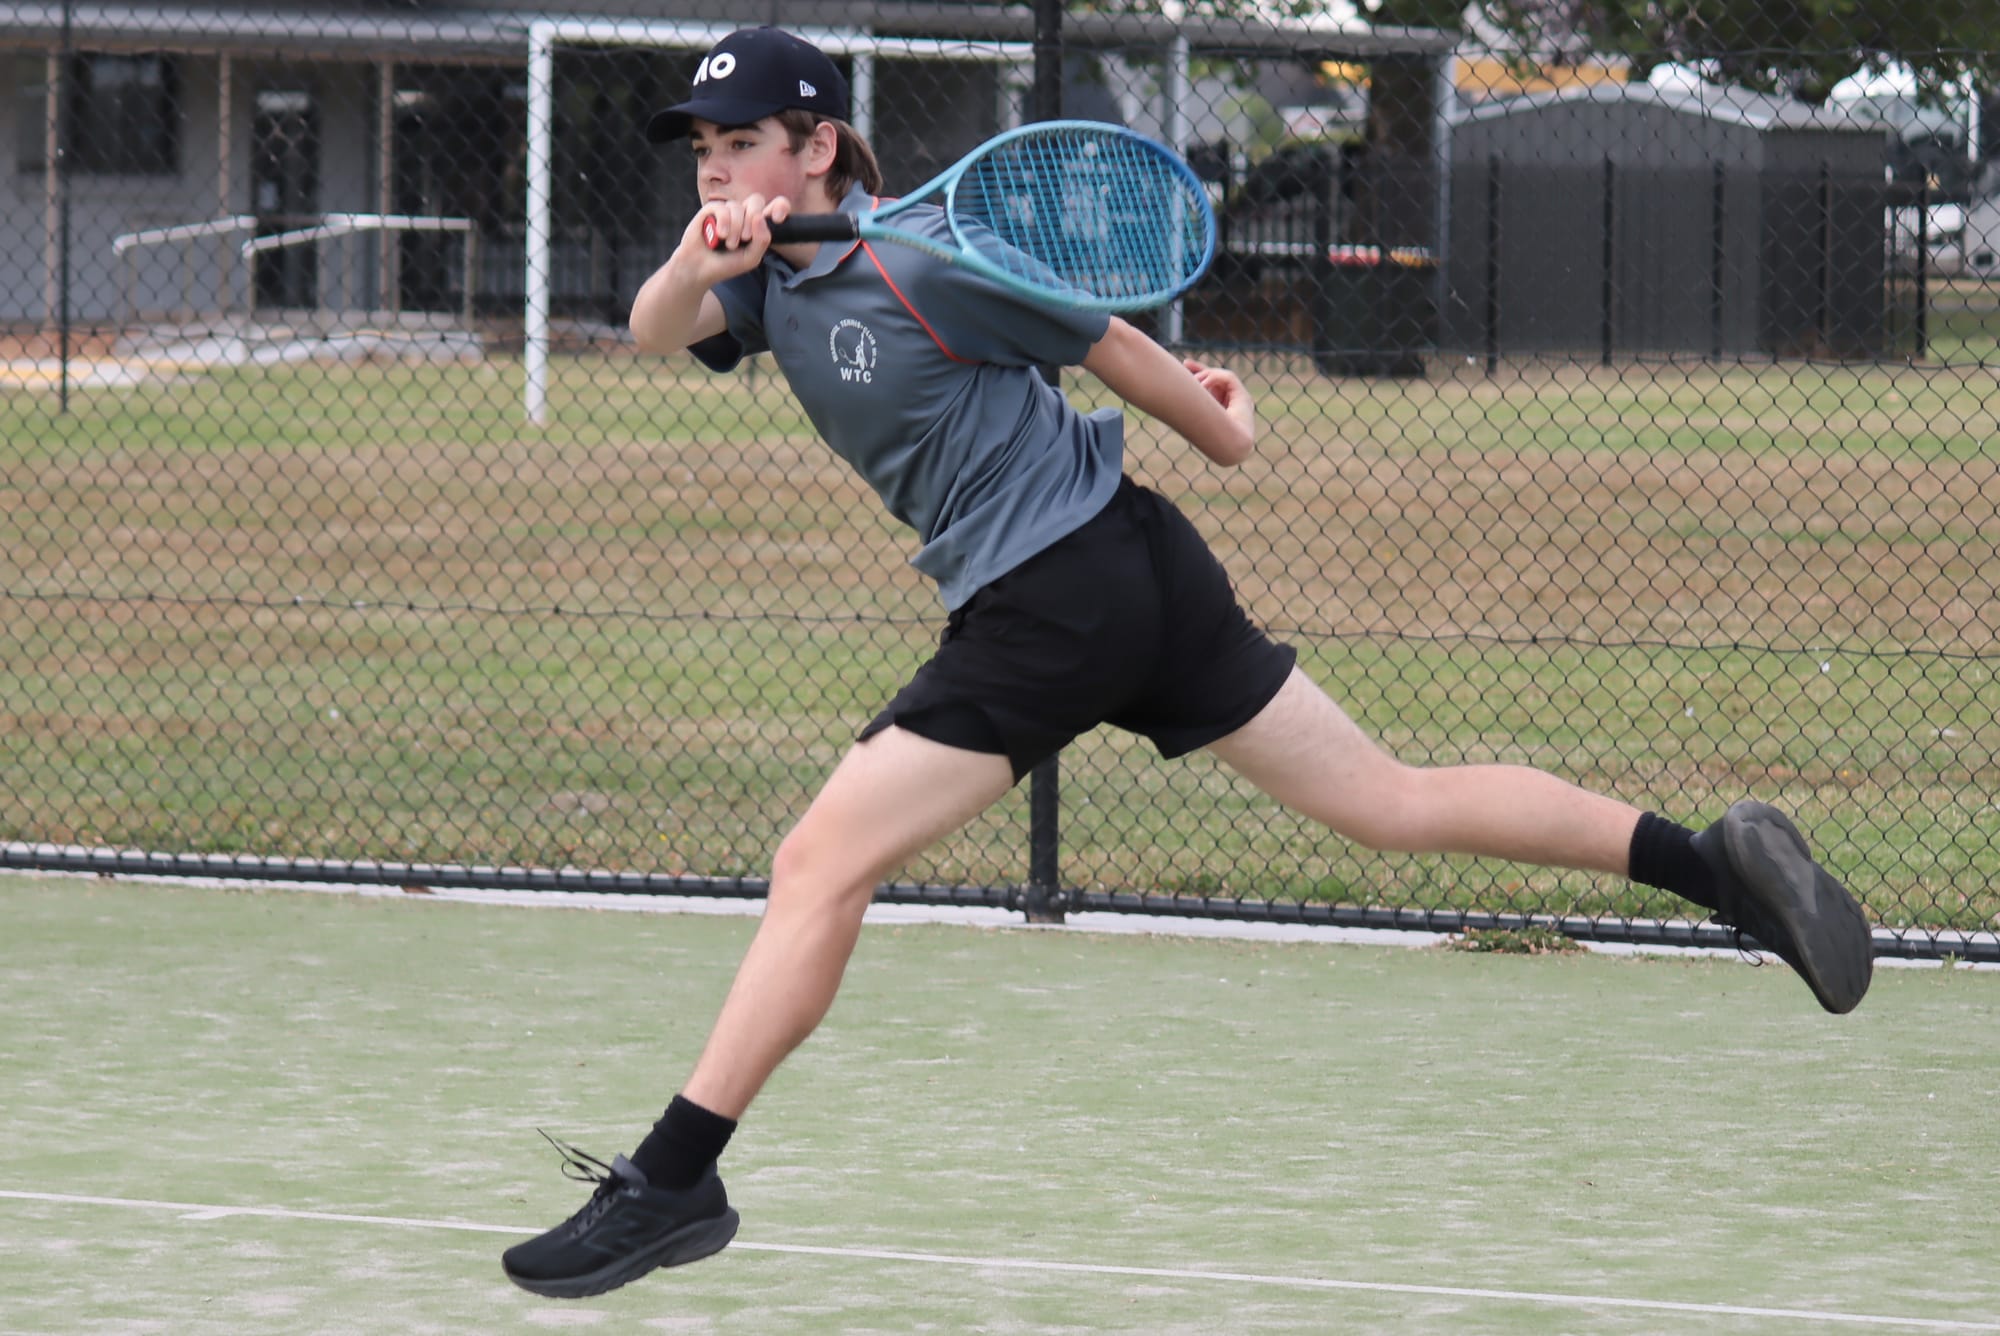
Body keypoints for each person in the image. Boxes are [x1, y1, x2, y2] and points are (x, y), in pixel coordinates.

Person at [501, 26, 1875, 1300]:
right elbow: (653, 328)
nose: (719, 165)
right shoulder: (761, 281)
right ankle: (1722, 868)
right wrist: (699, 256)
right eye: (704, 148)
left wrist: (1224, 432)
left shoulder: (920, 258)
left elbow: (1096, 339)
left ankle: (672, 1182)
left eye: (742, 142)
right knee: (1386, 802)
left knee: (819, 865)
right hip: (1125, 575)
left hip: (1060, 599)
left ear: (815, 146)